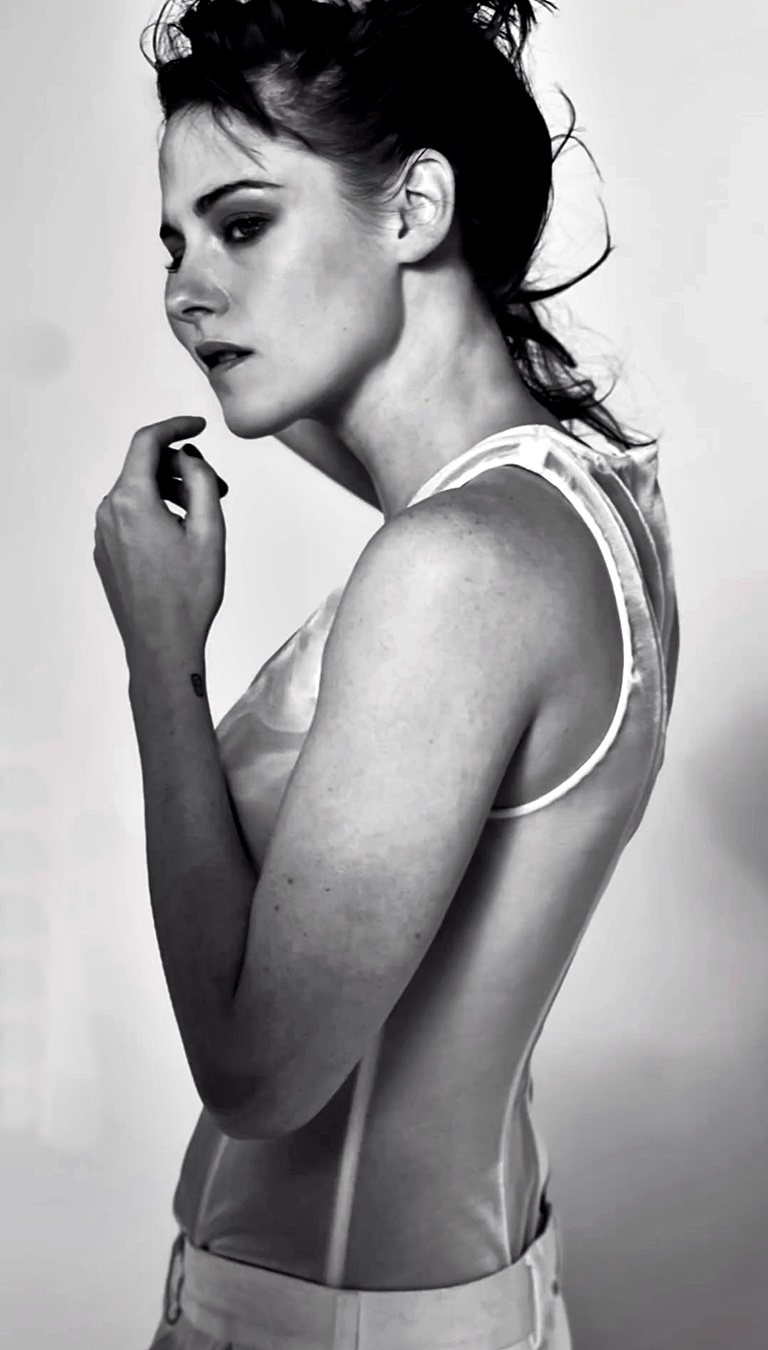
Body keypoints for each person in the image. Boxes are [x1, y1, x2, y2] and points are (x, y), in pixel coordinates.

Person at [93, 1, 680, 1346]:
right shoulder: (584, 504)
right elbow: (390, 421)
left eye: (243, 225)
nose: (184, 290)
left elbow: (259, 1077)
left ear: (417, 206)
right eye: (175, 243)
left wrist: (159, 661)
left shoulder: (455, 571)